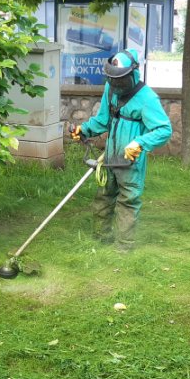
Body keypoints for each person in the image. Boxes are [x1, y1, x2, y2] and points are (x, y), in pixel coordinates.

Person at [71, 49, 172, 251]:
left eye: (120, 80)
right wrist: (85, 130)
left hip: (130, 160)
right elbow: (103, 120)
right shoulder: (111, 88)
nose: (115, 85)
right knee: (104, 196)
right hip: (109, 158)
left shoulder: (147, 98)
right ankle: (101, 237)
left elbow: (164, 129)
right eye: (112, 79)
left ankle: (124, 246)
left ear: (132, 73)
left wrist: (140, 143)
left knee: (128, 201)